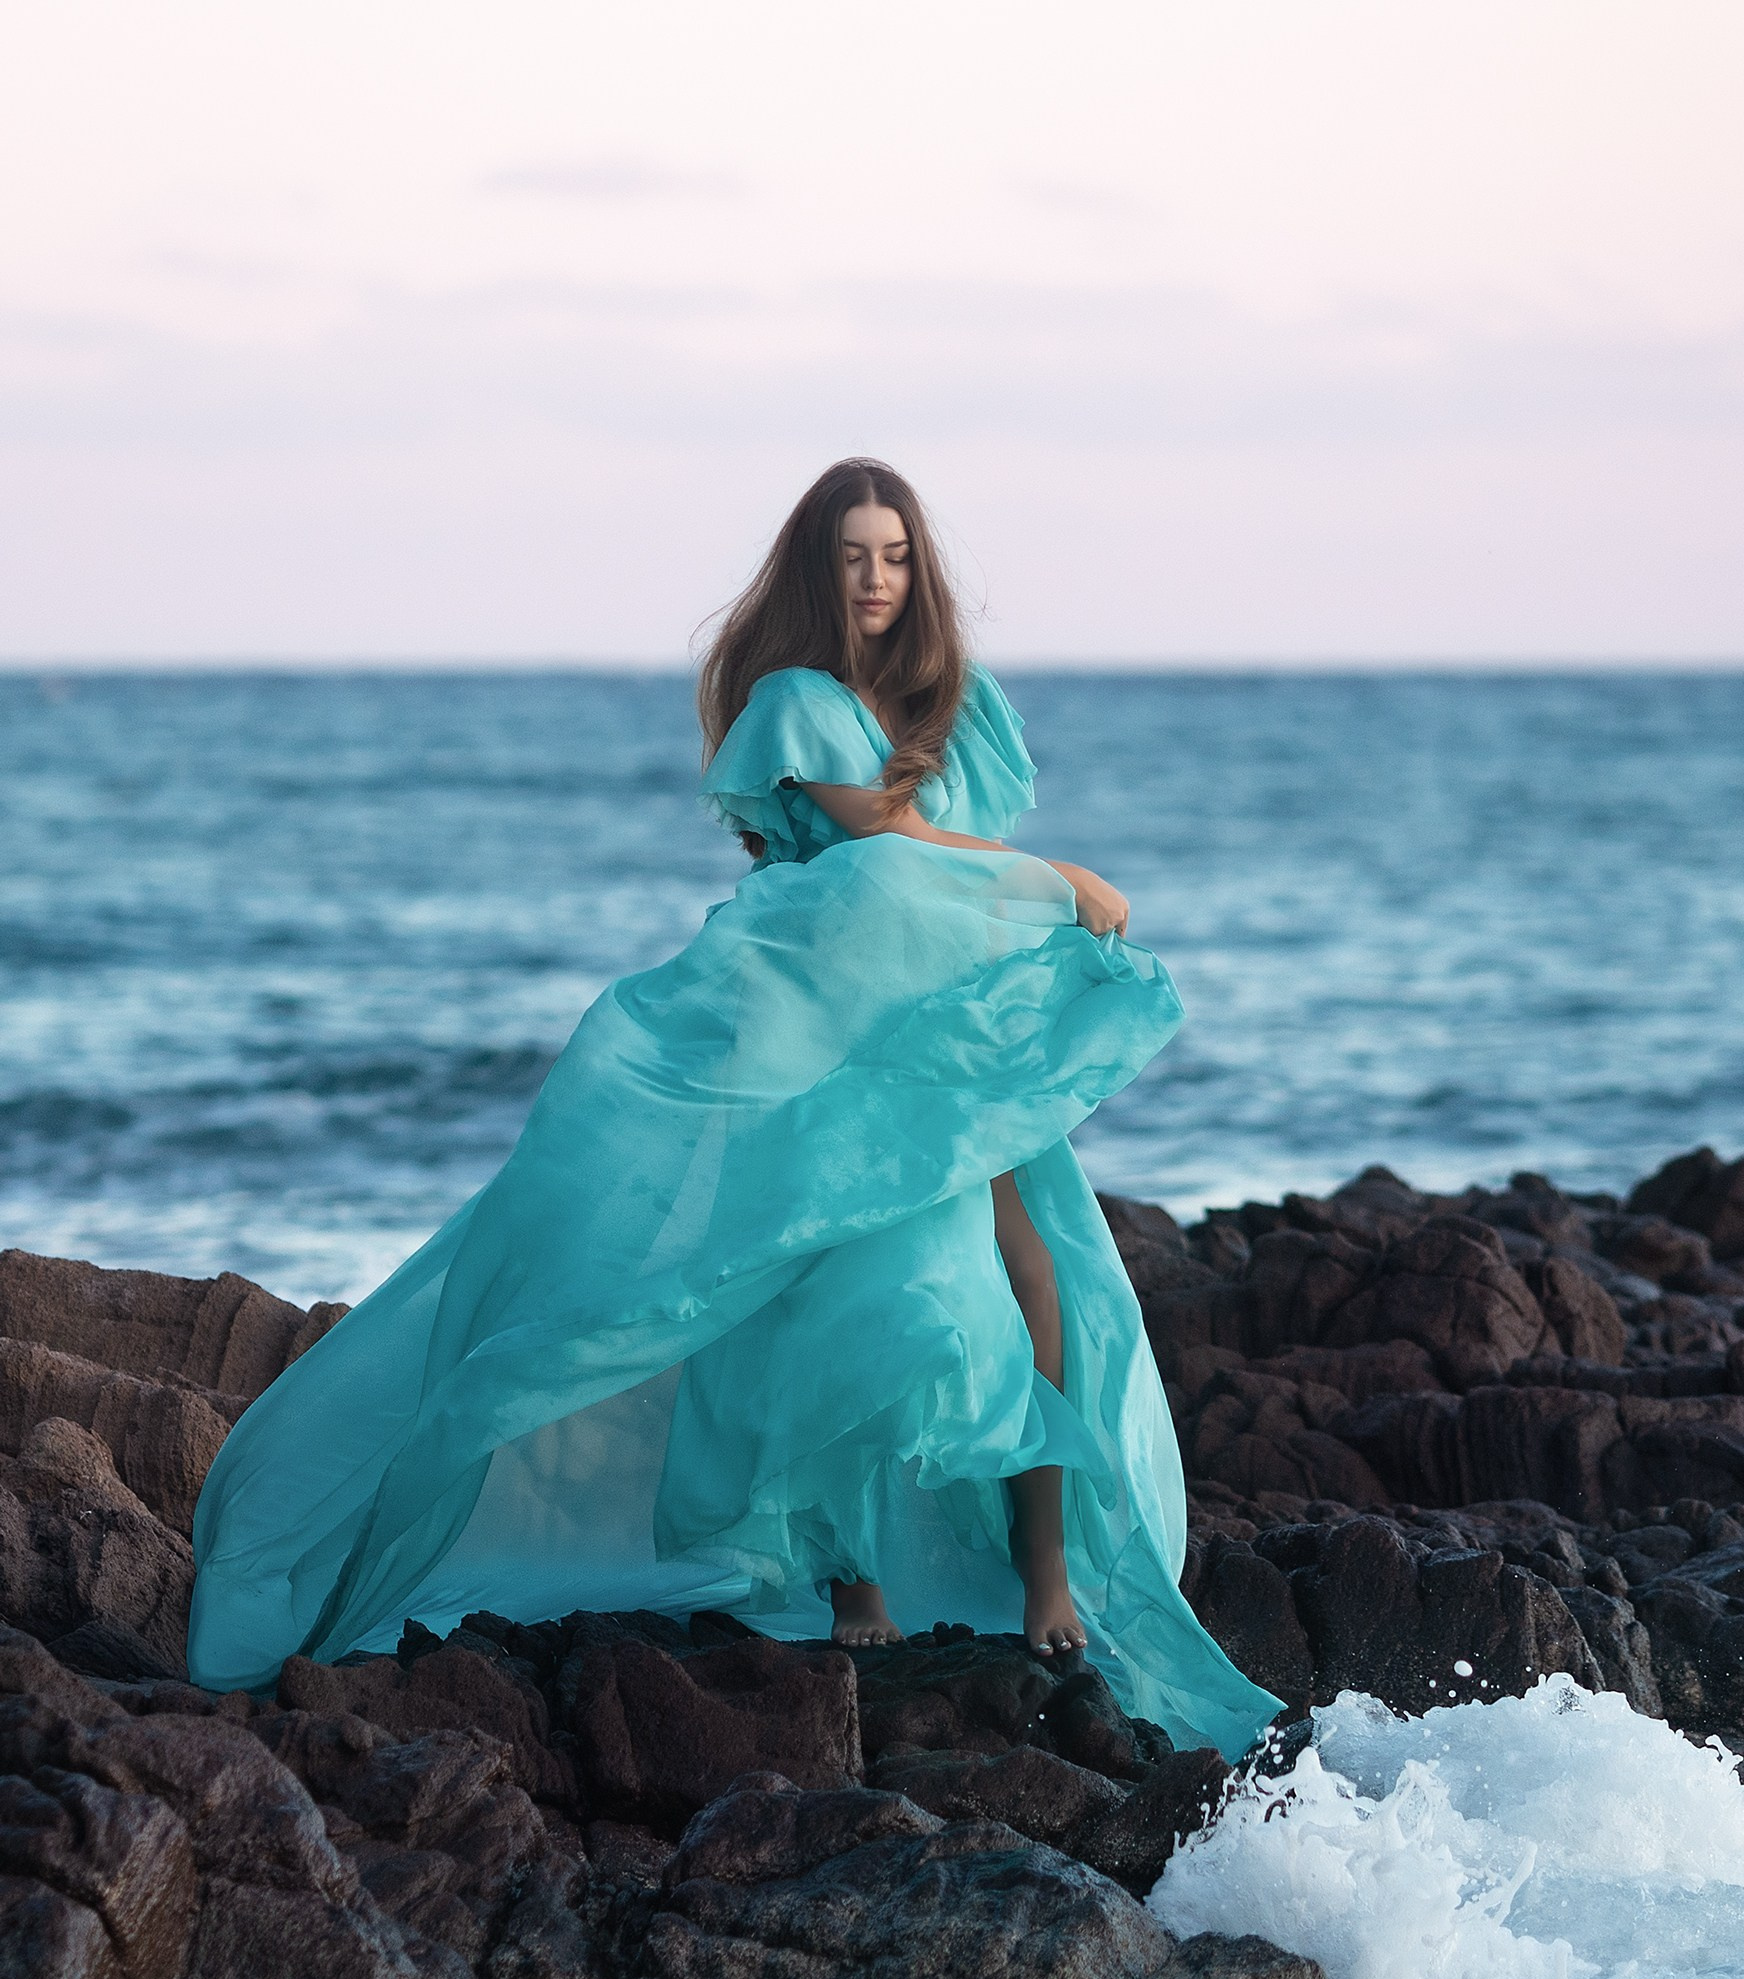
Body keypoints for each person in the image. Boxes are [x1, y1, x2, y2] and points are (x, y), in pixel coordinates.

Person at [186, 458, 1281, 1760]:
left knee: (1033, 1277)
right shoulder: (793, 701)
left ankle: (1045, 1566)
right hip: (817, 1026)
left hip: (948, 1030)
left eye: (894, 555)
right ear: (815, 569)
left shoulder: (958, 704)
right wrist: (1058, 880)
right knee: (822, 1282)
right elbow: (878, 841)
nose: (875, 578)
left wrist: (1032, 914)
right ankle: (849, 1574)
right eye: (852, 556)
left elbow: (944, 882)